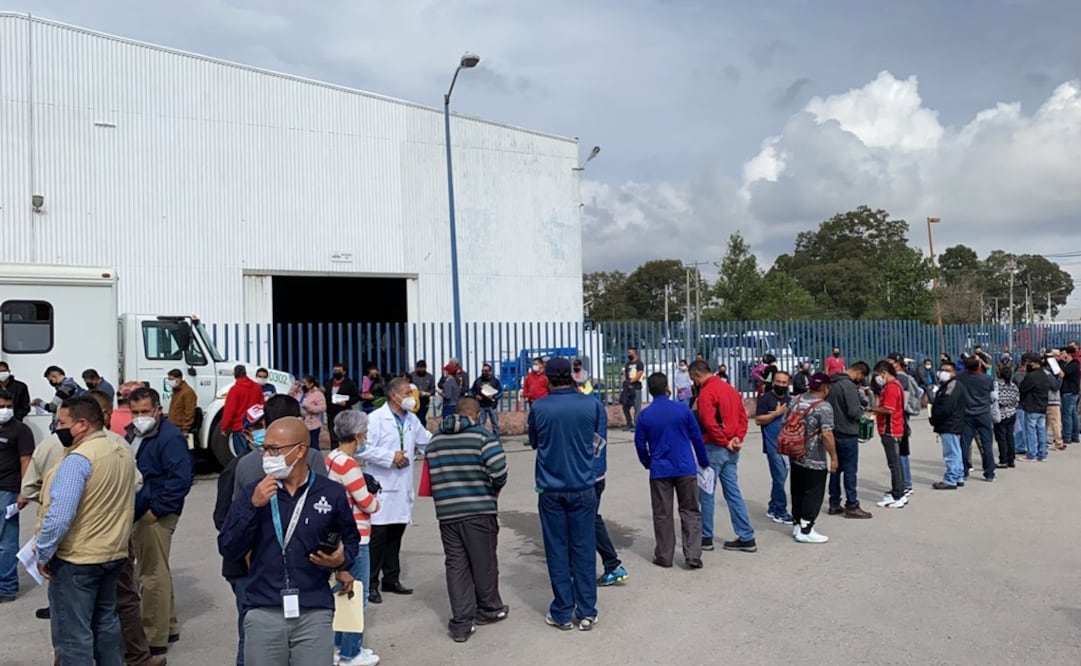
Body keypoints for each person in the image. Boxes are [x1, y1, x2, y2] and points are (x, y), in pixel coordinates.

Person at [218, 417, 359, 665]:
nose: (266, 456)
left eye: (274, 449)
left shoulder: (331, 493)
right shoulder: (254, 492)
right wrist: (252, 506)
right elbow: (228, 547)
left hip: (314, 610)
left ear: (300, 450)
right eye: (265, 449)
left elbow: (350, 540)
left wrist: (341, 560)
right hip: (263, 609)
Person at [34, 395, 135, 665]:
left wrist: (43, 552)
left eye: (61, 422)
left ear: (81, 424)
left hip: (78, 559)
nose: (57, 428)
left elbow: (60, 516)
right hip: (113, 552)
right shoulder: (121, 450)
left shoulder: (79, 459)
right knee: (106, 625)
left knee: (73, 636)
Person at [528, 357, 604, 631]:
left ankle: (561, 611)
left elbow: (535, 441)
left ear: (547, 378)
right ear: (573, 376)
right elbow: (598, 441)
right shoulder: (590, 404)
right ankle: (586, 611)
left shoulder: (539, 407)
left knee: (557, 549)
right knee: (584, 548)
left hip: (551, 489)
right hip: (583, 486)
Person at [427, 397, 509, 642]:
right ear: (474, 414)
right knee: (483, 562)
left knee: (456, 565)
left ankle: (461, 623)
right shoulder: (483, 437)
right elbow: (499, 472)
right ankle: (488, 609)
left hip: (447, 513)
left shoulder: (435, 440)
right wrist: (492, 489)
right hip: (479, 510)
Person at [127, 386, 194, 656]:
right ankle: (169, 625)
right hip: (143, 508)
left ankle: (154, 637)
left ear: (158, 410)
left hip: (154, 514)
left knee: (151, 575)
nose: (140, 416)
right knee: (158, 571)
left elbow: (181, 479)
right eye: (135, 412)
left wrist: (157, 510)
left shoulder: (170, 438)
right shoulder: (136, 433)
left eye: (145, 411)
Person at [357, 378, 431, 604]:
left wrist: (447, 442)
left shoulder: (411, 419)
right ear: (394, 395)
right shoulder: (375, 419)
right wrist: (390, 457)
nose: (412, 397)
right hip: (382, 488)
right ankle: (371, 584)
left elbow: (425, 441)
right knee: (378, 539)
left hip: (402, 489)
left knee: (396, 536)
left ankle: (391, 578)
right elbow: (361, 449)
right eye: (407, 392)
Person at [634, 373, 709, 569]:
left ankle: (664, 555)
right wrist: (703, 461)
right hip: (685, 466)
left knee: (662, 513)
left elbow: (640, 445)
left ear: (649, 391)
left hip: (660, 469)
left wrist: (648, 462)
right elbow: (697, 438)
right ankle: (693, 554)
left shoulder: (645, 415)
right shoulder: (682, 410)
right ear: (667, 387)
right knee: (690, 510)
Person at [326, 411, 381, 665]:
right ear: (358, 435)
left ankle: (341, 647)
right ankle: (351, 653)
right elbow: (366, 502)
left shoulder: (332, 458)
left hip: (340, 534)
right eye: (365, 432)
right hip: (357, 536)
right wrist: (376, 502)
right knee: (358, 594)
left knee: (344, 594)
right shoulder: (348, 464)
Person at [214, 404, 267, 666]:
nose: (262, 433)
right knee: (251, 631)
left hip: (268, 566)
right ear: (246, 434)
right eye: (256, 428)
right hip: (243, 568)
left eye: (265, 425)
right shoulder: (238, 468)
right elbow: (222, 518)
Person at [688, 360, 756, 553]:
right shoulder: (730, 389)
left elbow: (709, 422)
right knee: (733, 492)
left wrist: (723, 441)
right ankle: (746, 535)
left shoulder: (707, 393)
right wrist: (737, 438)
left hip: (713, 446)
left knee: (706, 491)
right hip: (732, 447)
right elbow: (743, 417)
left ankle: (706, 536)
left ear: (696, 375)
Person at [788, 373, 838, 543]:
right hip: (814, 457)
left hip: (795, 452)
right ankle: (806, 528)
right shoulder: (824, 407)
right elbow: (827, 434)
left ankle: (797, 523)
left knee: (797, 490)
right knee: (813, 492)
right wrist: (833, 457)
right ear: (825, 388)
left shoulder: (796, 400)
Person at [825, 362, 873, 519]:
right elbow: (853, 411)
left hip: (833, 431)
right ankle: (852, 505)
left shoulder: (832, 382)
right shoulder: (849, 386)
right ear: (859, 374)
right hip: (847, 433)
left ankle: (834, 503)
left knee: (835, 468)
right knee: (850, 471)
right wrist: (863, 413)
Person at [0, 389, 34, 602]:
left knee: (6, 541)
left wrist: (24, 491)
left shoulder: (20, 430)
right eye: (1, 406)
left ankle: (6, 586)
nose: (5, 410)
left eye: (8, 406)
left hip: (7, 490)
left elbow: (26, 460)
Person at [755, 371, 793, 525]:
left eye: (784, 383)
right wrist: (776, 414)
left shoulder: (789, 400)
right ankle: (781, 511)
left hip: (787, 445)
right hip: (772, 446)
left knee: (781, 478)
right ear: (773, 382)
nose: (781, 385)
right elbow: (758, 420)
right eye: (778, 382)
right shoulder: (765, 399)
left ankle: (772, 506)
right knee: (779, 477)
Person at [870, 362, 908, 508]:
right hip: (893, 427)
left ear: (884, 373)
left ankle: (897, 495)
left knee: (894, 463)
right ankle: (899, 491)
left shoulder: (892, 387)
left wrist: (873, 409)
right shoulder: (895, 385)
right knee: (896, 462)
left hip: (890, 428)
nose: (878, 378)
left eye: (878, 375)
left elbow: (889, 409)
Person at [954, 354, 997, 482]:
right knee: (987, 444)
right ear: (979, 365)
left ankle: (964, 471)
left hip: (966, 414)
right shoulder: (987, 379)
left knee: (964, 444)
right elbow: (992, 396)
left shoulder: (960, 377)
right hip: (983, 413)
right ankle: (989, 473)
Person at [929, 361, 968, 490]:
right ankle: (958, 476)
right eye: (942, 370)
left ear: (954, 372)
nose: (944, 372)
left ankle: (950, 479)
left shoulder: (952, 386)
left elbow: (946, 407)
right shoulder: (950, 385)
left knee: (951, 453)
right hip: (953, 423)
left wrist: (935, 419)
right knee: (956, 451)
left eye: (948, 370)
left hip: (949, 423)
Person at [221, 365, 266, 457]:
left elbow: (229, 410)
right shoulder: (257, 387)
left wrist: (224, 427)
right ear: (245, 373)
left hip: (239, 427)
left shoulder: (235, 390)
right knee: (256, 455)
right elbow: (262, 406)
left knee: (242, 457)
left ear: (235, 375)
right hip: (255, 428)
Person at [1019, 355, 1050, 462]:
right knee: (1041, 431)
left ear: (1035, 363)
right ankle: (1042, 454)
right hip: (1043, 406)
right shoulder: (1044, 375)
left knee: (1031, 431)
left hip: (1032, 406)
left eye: (1030, 363)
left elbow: (1023, 388)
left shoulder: (1031, 376)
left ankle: (1032, 454)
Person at [325, 362, 362, 449]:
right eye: (335, 370)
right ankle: (334, 453)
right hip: (331, 414)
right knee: (333, 436)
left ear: (344, 372)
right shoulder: (329, 383)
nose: (336, 372)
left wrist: (347, 402)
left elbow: (356, 397)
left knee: (345, 435)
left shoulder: (349, 383)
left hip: (344, 413)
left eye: (338, 371)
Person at [290, 375, 327, 450]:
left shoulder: (318, 394)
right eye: (302, 382)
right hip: (300, 423)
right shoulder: (300, 392)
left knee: (313, 446)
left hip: (312, 424)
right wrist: (293, 388)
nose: (303, 385)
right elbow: (290, 398)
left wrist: (309, 407)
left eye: (305, 383)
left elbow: (322, 408)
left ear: (311, 384)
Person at [993, 365, 1020, 468]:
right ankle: (1011, 460)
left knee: (1001, 438)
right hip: (1011, 413)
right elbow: (1017, 400)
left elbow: (994, 398)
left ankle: (1003, 459)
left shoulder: (997, 385)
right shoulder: (1014, 386)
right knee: (1010, 436)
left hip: (1000, 413)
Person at [471, 363, 503, 438]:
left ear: (490, 371)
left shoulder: (495, 381)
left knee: (495, 423)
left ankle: (496, 438)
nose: (484, 372)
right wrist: (476, 396)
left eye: (486, 370)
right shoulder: (478, 381)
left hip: (492, 405)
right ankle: (481, 438)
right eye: (482, 370)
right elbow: (472, 391)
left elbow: (501, 392)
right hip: (481, 405)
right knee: (481, 423)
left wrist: (494, 397)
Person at [166, 368, 198, 437]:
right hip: (173, 426)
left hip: (180, 428)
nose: (169, 381)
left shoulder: (187, 392)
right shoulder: (176, 391)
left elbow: (189, 412)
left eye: (171, 379)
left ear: (178, 379)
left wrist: (185, 429)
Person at [621, 348, 645, 430]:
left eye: (630, 352)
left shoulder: (639, 363)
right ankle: (629, 423)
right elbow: (624, 374)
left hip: (636, 388)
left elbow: (639, 374)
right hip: (628, 389)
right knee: (625, 407)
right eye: (628, 352)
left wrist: (631, 382)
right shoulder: (627, 364)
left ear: (635, 353)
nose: (629, 354)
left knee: (636, 407)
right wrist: (625, 382)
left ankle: (636, 424)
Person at [409, 361, 435, 425]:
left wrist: (428, 393)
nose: (421, 369)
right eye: (419, 367)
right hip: (413, 400)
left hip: (424, 400)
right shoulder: (412, 376)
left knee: (422, 417)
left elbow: (433, 389)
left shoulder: (430, 377)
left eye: (422, 367)